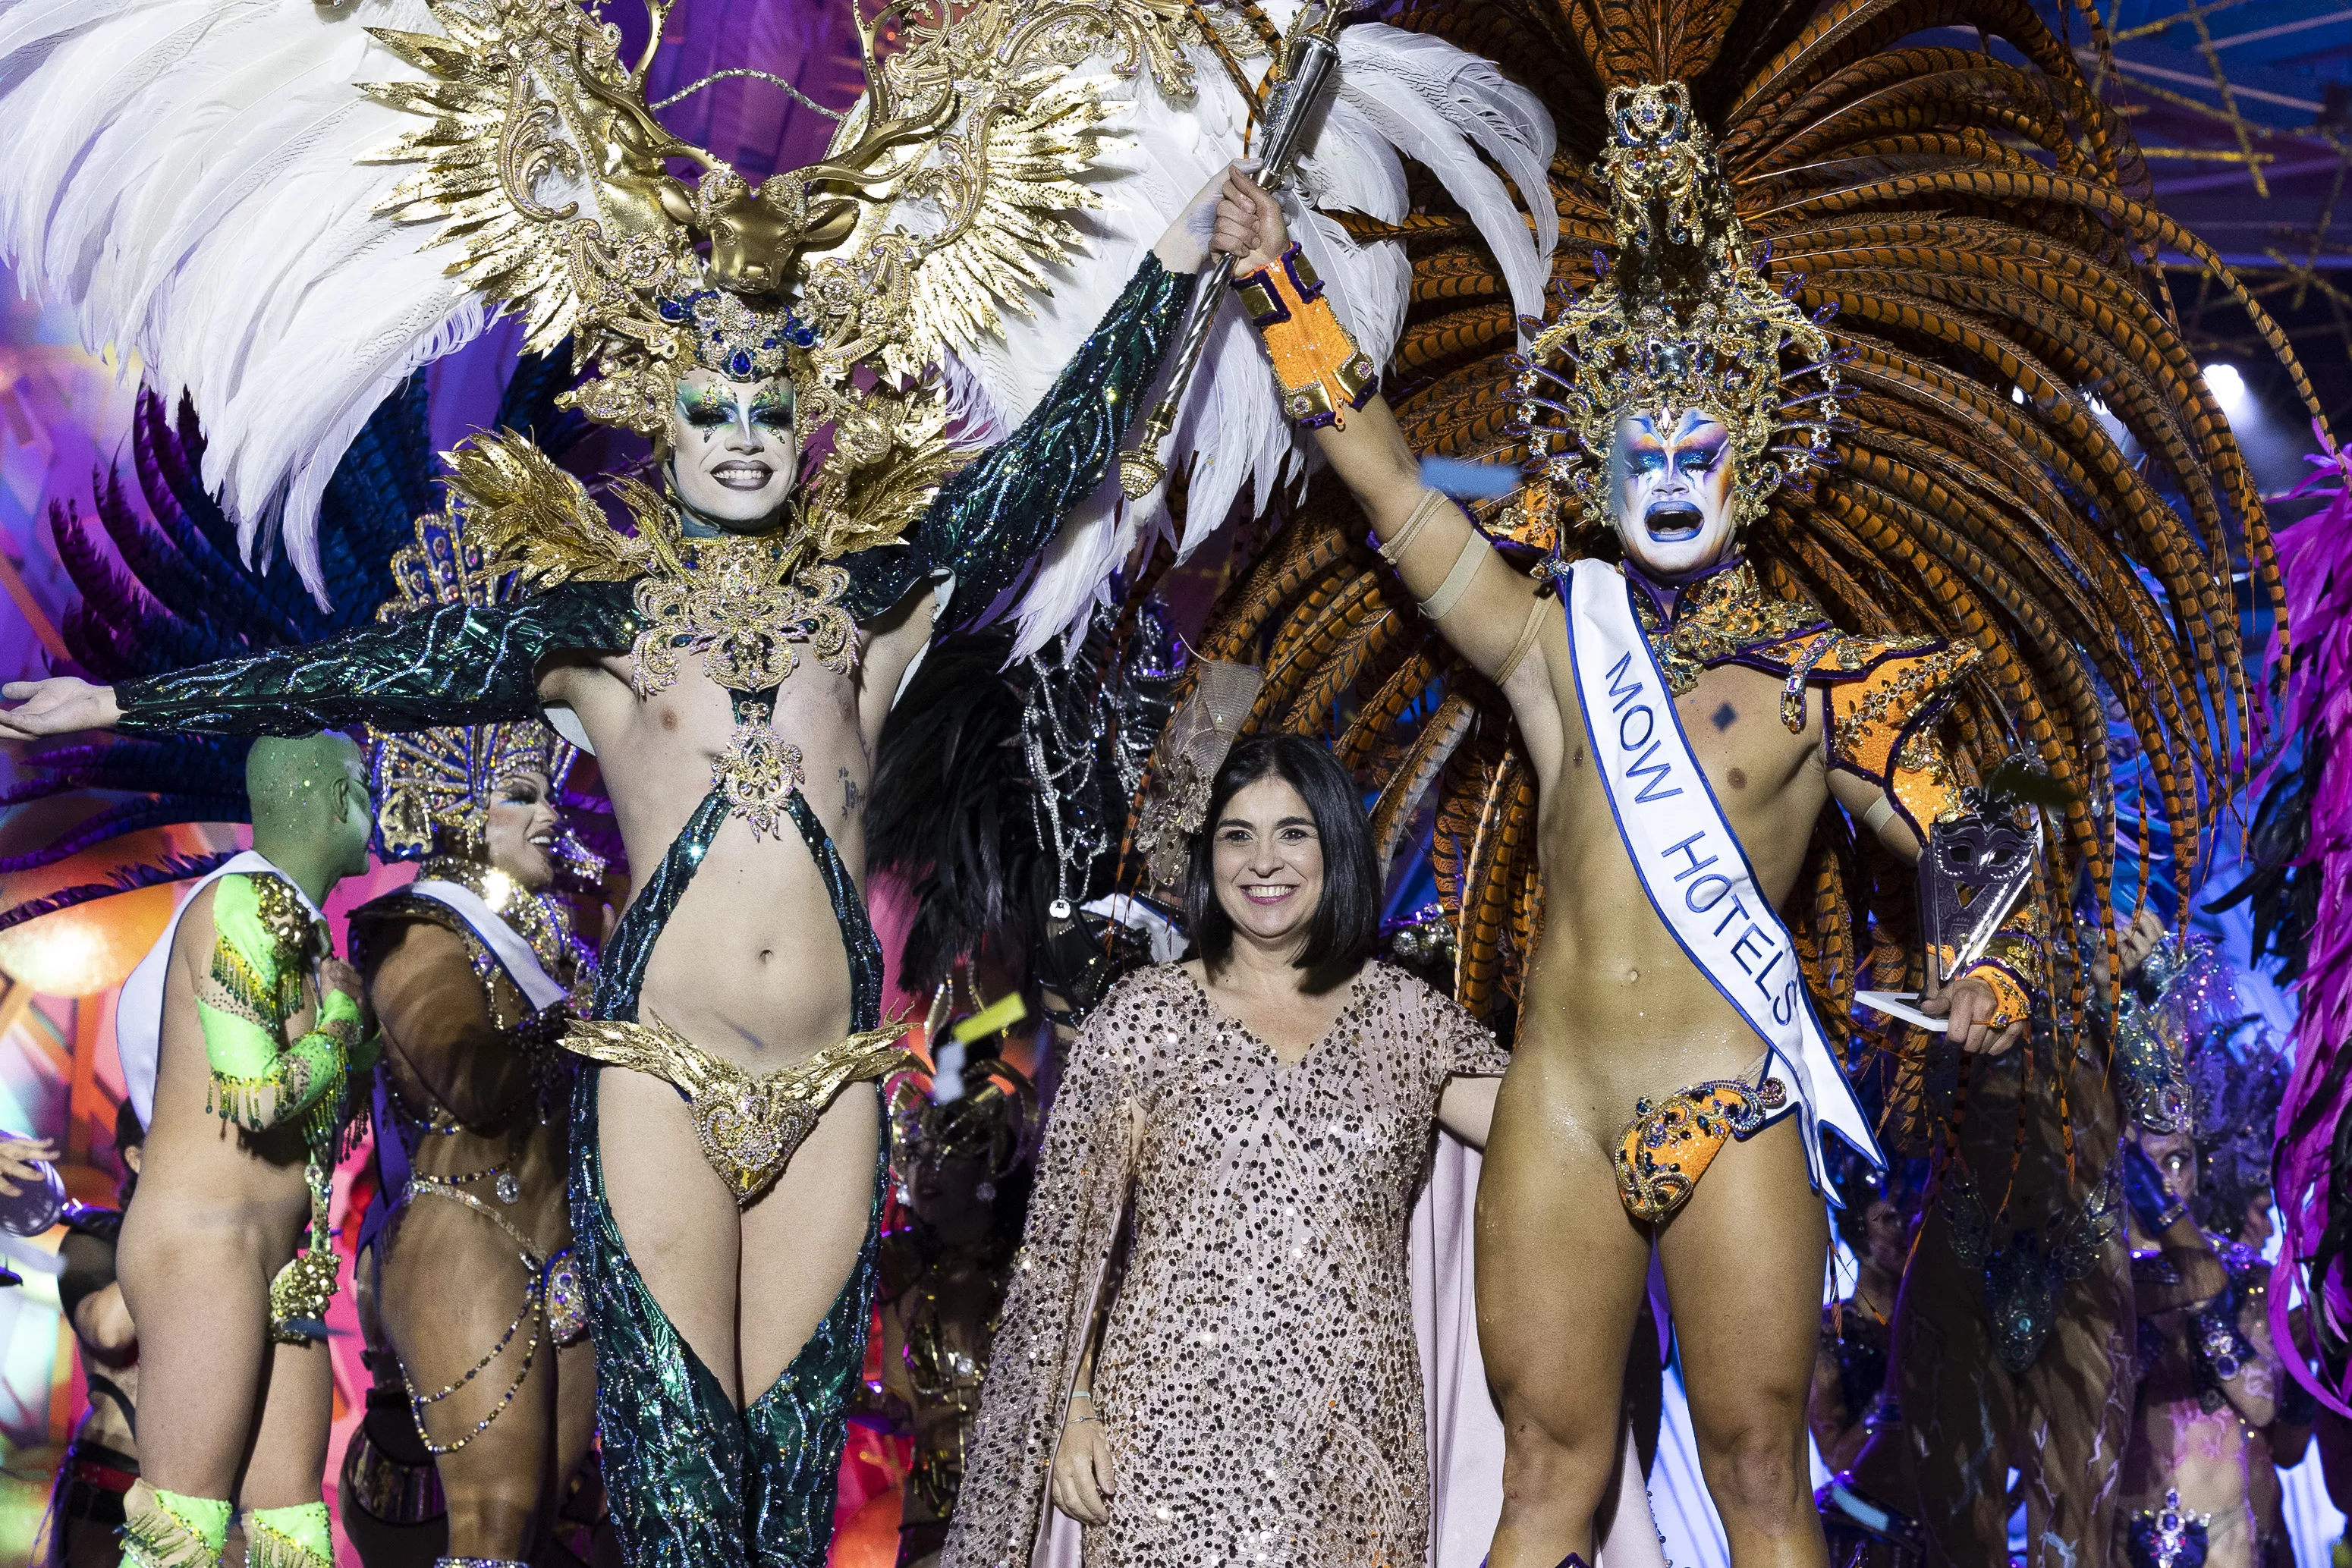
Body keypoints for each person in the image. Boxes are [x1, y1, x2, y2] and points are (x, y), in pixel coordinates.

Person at [1205, 106, 2044, 1560]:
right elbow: (1392, 482)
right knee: (1544, 1470)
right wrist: (1283, 283)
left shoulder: (1813, 682)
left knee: (1759, 1477)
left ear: (1750, 463)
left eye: (1697, 445)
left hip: (1727, 1107)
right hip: (1562, 1109)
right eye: (1638, 447)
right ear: (1597, 467)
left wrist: (1990, 972)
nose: (1666, 472)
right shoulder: (1549, 643)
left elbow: (1966, 831)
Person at [943, 734, 1508, 1564]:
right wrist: (1073, 1412)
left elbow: (1548, 1138)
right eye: (1236, 835)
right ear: (1206, 859)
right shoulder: (1144, 1018)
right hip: (1162, 1453)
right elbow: (1061, 1250)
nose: (1263, 861)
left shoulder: (1406, 1019)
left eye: (1293, 832)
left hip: (1351, 1455)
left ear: (1336, 849)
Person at [340, 504, 602, 1568]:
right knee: (489, 1532)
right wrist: (598, 1028)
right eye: (521, 792)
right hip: (463, 1239)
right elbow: (467, 1069)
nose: (552, 814)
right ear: (456, 806)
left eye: (553, 789)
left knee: (543, 1536)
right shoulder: (415, 926)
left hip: (562, 1257)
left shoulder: (569, 942)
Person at [105, 733, 377, 1568]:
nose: (375, 812)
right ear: (332, 801)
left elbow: (332, 1119)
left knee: (292, 1535)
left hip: (281, 1265)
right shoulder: (240, 906)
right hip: (204, 1247)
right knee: (181, 1533)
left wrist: (356, 1044)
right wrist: (340, 1024)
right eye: (364, 790)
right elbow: (256, 1095)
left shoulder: (305, 932)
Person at [2113, 1007, 2295, 1568]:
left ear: (2201, 1165)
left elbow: (2262, 1404)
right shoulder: (2100, 1278)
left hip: (2225, 1542)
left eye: (2180, 1161)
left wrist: (2199, 1292)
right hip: (2120, 1540)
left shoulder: (2245, 1272)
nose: (2167, 1182)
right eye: (2150, 1167)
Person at [37, 1108, 141, 1568]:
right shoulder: (95, 1239)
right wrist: (174, 1228)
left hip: (219, 1498)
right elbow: (108, 1330)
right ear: (137, 1157)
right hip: (112, 1487)